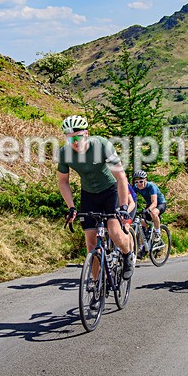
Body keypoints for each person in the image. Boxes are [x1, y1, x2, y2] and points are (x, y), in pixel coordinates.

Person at [58, 115, 136, 280]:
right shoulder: (65, 153)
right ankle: (95, 287)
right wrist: (71, 207)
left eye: (78, 137)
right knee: (91, 244)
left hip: (110, 191)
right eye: (70, 138)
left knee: (115, 232)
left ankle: (128, 254)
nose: (75, 142)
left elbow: (121, 177)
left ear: (86, 133)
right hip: (88, 194)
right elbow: (63, 182)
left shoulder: (102, 145)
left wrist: (123, 207)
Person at [130, 170, 167, 254]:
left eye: (141, 181)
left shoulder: (151, 186)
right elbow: (132, 200)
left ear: (145, 180)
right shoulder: (136, 187)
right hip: (150, 204)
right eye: (136, 182)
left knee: (153, 213)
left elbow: (154, 202)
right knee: (142, 223)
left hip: (160, 204)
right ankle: (143, 246)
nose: (139, 183)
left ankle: (158, 232)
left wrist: (148, 210)